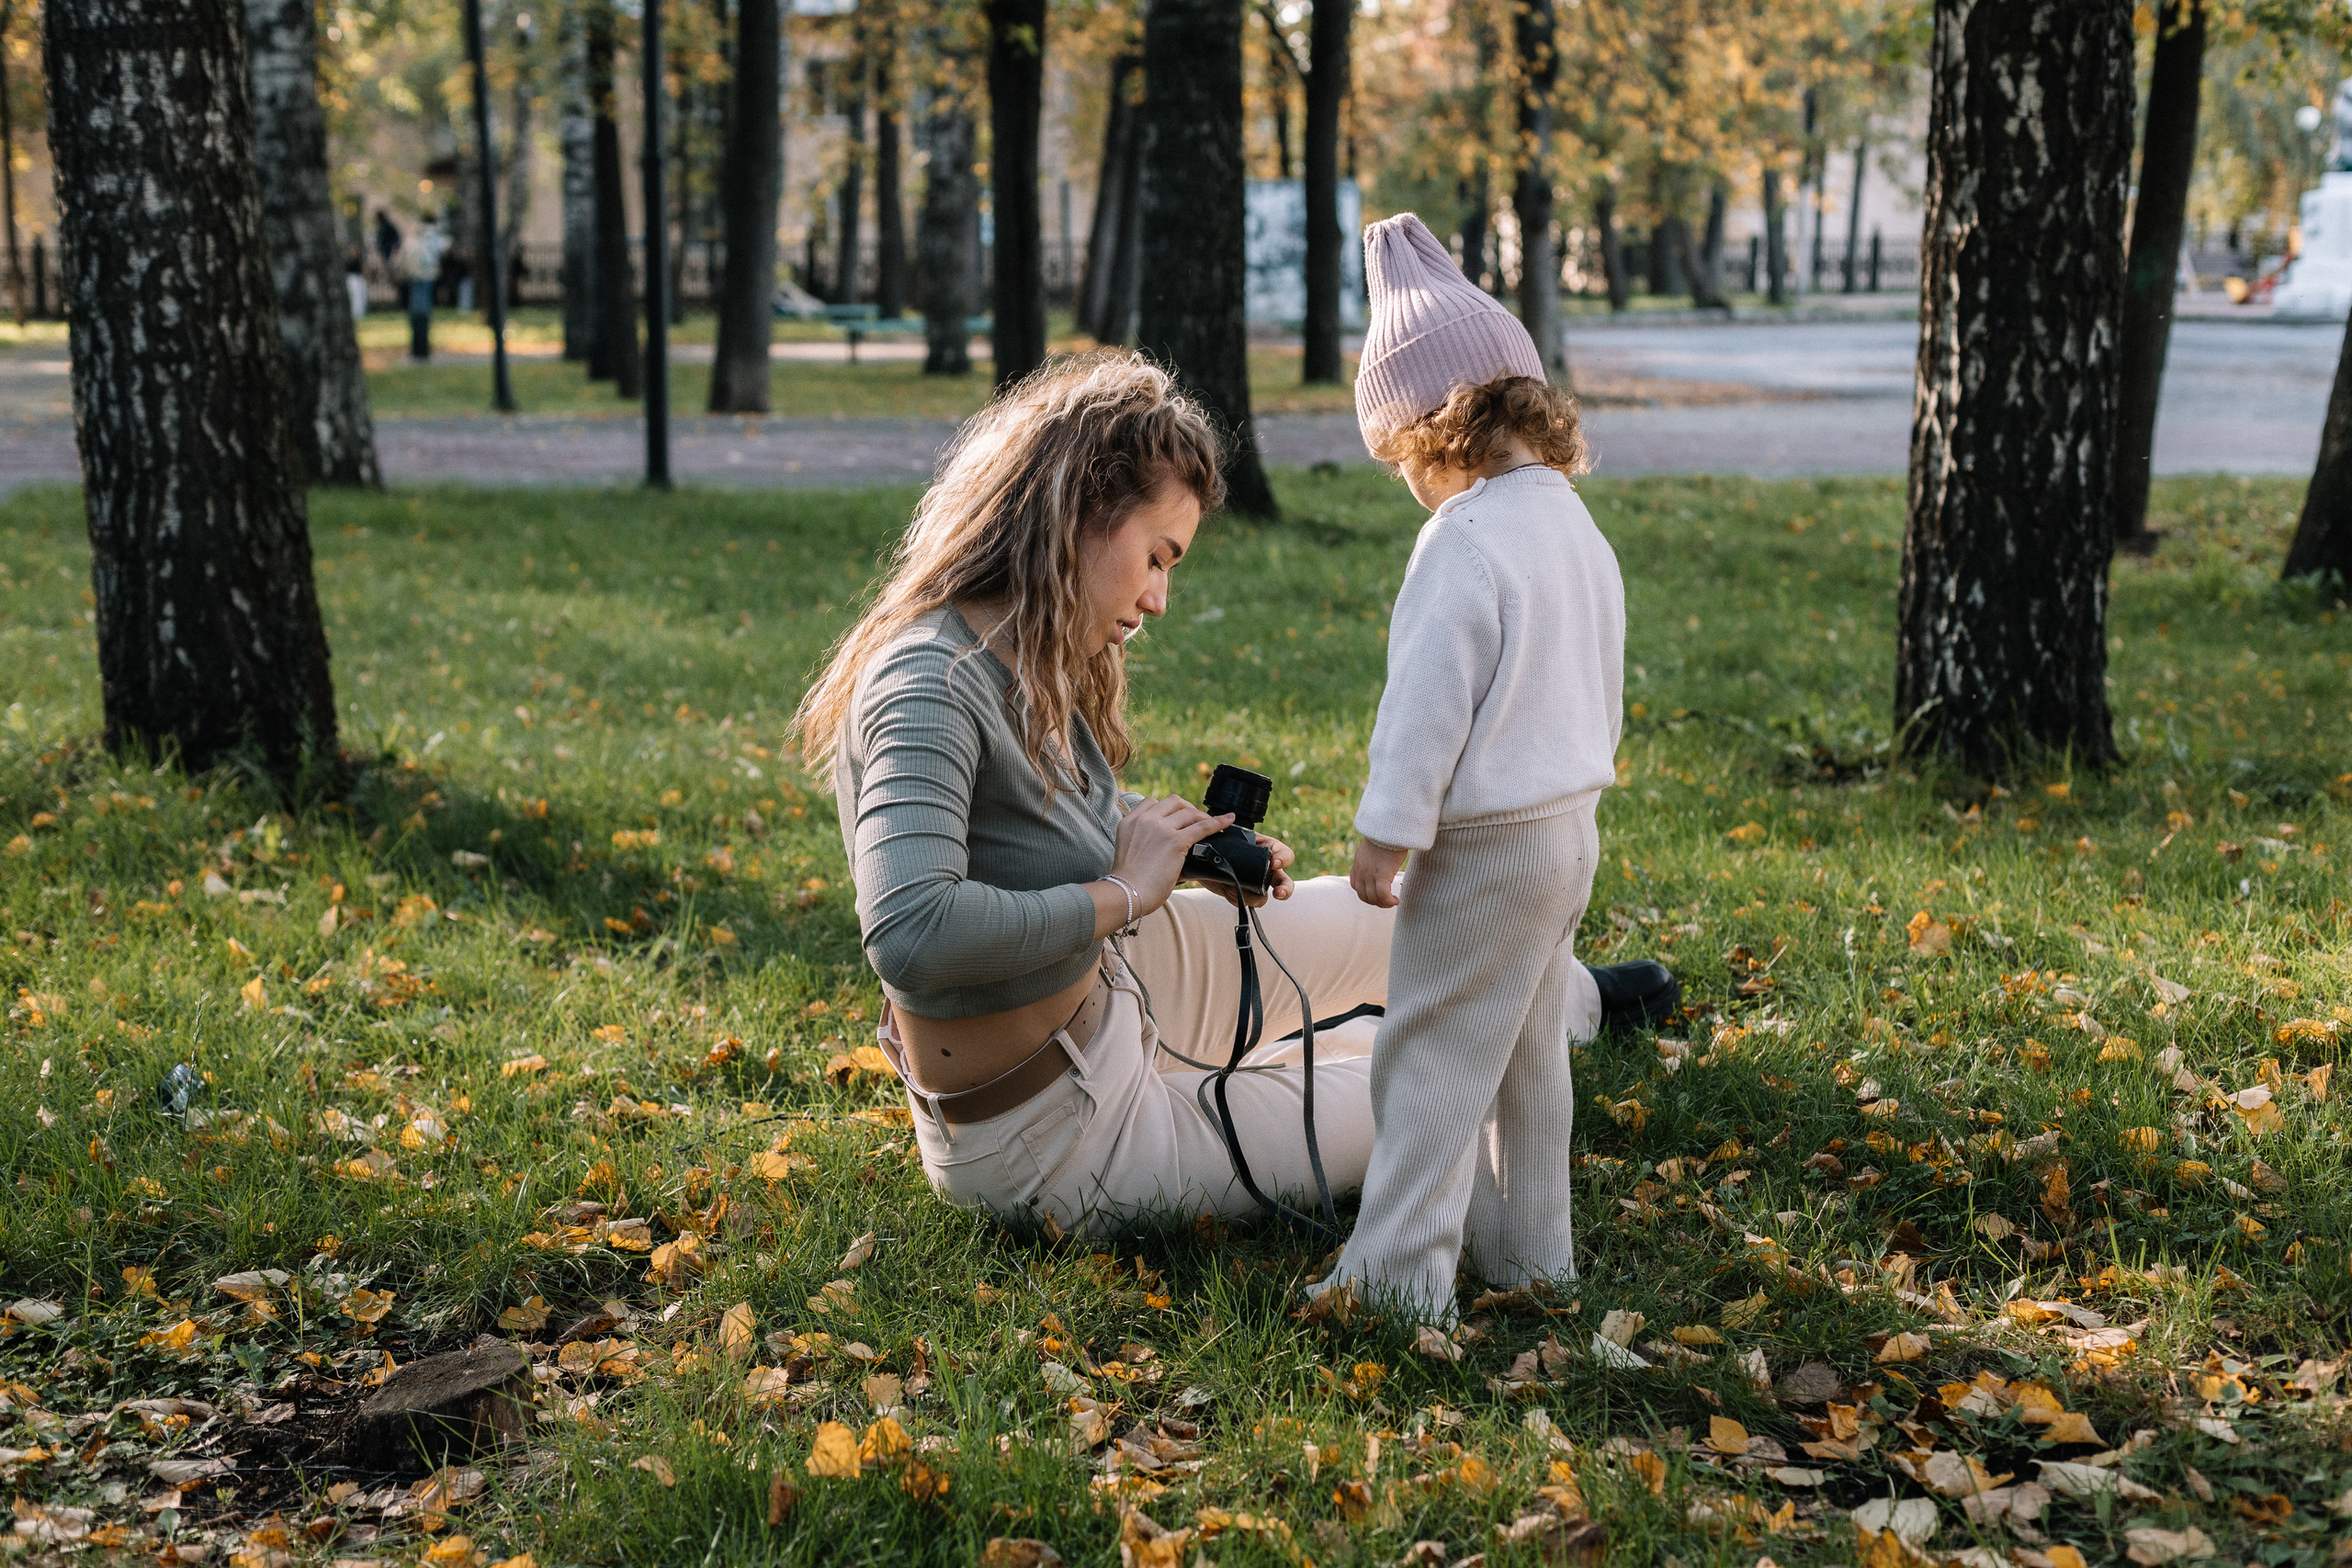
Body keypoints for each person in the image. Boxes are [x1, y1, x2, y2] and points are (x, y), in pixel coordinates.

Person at [795, 355, 1398, 1238]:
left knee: (1406, 921)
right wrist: (1123, 892)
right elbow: (912, 932)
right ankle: (1529, 1030)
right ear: (1079, 508)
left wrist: (1188, 849)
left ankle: (1574, 999)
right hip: (1058, 1140)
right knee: (1427, 1084)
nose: (1159, 598)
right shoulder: (927, 683)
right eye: (1156, 557)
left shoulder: (1030, 652)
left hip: (1117, 992)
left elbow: (1039, 823)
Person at [1312, 213, 1676, 1325]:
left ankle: (1395, 1279)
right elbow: (1600, 678)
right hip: (1568, 833)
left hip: (1482, 847)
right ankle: (1530, 1256)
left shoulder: (1462, 540)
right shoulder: (1576, 528)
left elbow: (1424, 709)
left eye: (1399, 461)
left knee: (1428, 1056)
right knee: (1526, 1056)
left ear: (1433, 432)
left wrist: (1385, 836)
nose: (1408, 485)